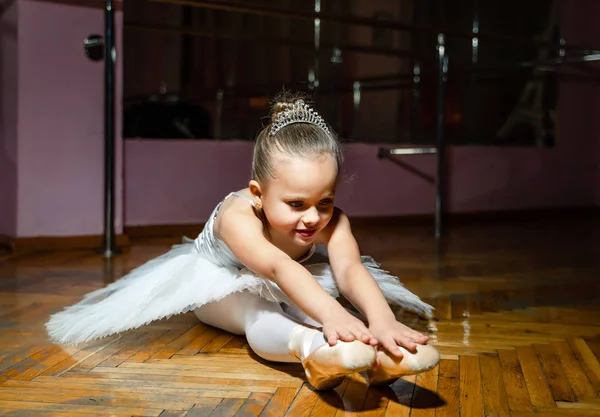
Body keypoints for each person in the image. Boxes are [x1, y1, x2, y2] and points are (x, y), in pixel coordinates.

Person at [46, 92, 440, 390]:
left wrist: (381, 319)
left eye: (325, 201)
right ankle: (312, 352)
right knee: (260, 307)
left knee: (329, 302)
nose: (312, 218)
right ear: (256, 193)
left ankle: (380, 356)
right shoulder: (238, 216)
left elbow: (351, 269)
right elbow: (278, 267)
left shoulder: (335, 222)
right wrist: (331, 316)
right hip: (220, 283)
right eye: (296, 203)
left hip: (287, 280)